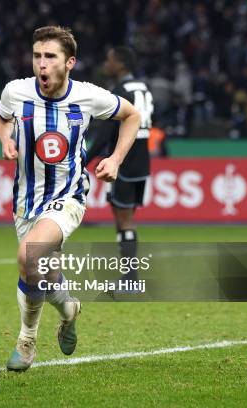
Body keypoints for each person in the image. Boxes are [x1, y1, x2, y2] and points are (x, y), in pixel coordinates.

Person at [0, 27, 140, 371]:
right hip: (25, 203)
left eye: (50, 57)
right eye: (37, 56)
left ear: (69, 62)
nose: (41, 65)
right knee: (41, 273)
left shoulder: (88, 96)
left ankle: (26, 341)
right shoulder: (16, 91)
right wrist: (5, 138)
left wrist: (116, 159)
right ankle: (69, 308)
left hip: (68, 197)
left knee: (29, 256)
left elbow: (132, 116)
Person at [87, 47, 153, 284]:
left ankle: (130, 277)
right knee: (128, 219)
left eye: (110, 60)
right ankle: (129, 274)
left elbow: (106, 134)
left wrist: (84, 160)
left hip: (123, 161)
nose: (107, 64)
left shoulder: (120, 90)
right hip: (142, 161)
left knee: (123, 220)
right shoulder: (144, 87)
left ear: (121, 64)